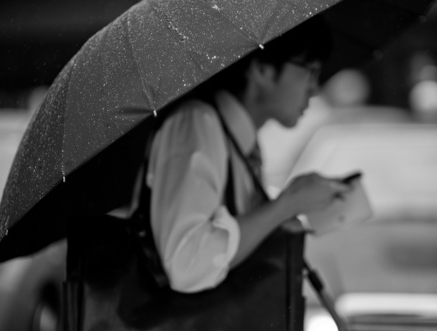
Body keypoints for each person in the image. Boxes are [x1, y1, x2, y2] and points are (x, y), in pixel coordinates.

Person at [147, 16, 355, 293]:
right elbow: (187, 267)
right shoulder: (197, 123)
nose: (315, 88)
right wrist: (286, 204)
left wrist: (283, 216)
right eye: (310, 71)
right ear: (262, 70)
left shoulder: (242, 140)